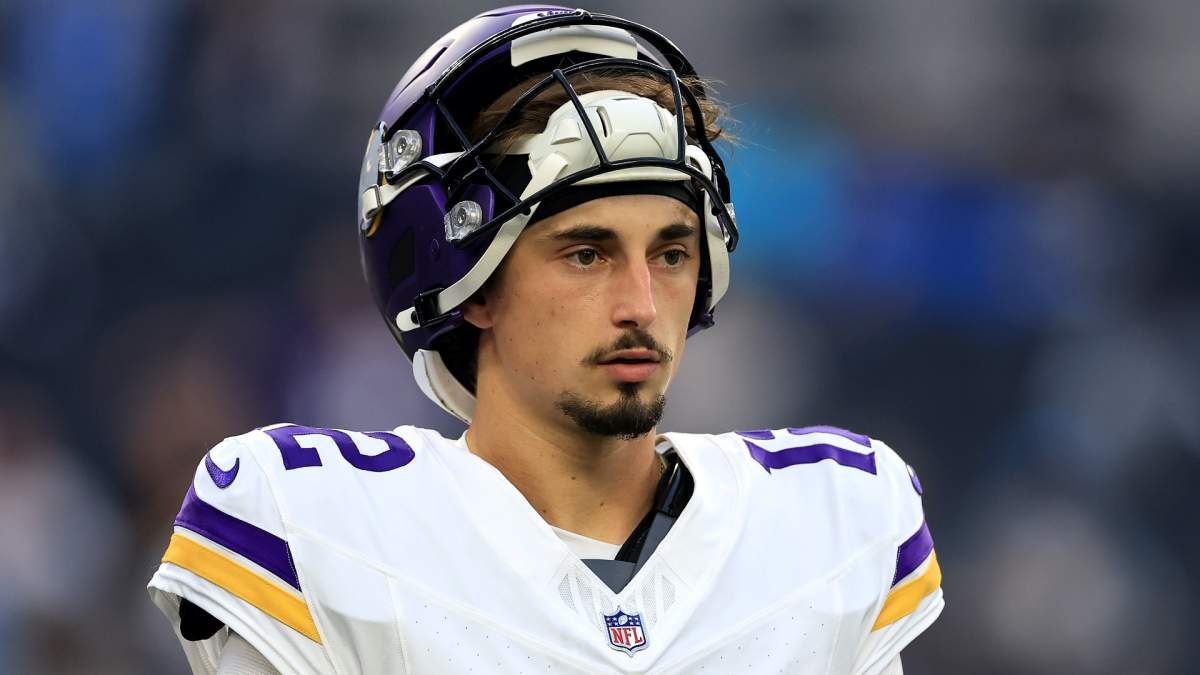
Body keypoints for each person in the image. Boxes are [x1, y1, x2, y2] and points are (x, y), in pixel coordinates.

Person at [147, 6, 943, 674]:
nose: (641, 305)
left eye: (671, 253)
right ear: (471, 284)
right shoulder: (311, 522)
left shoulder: (833, 519)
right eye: (587, 254)